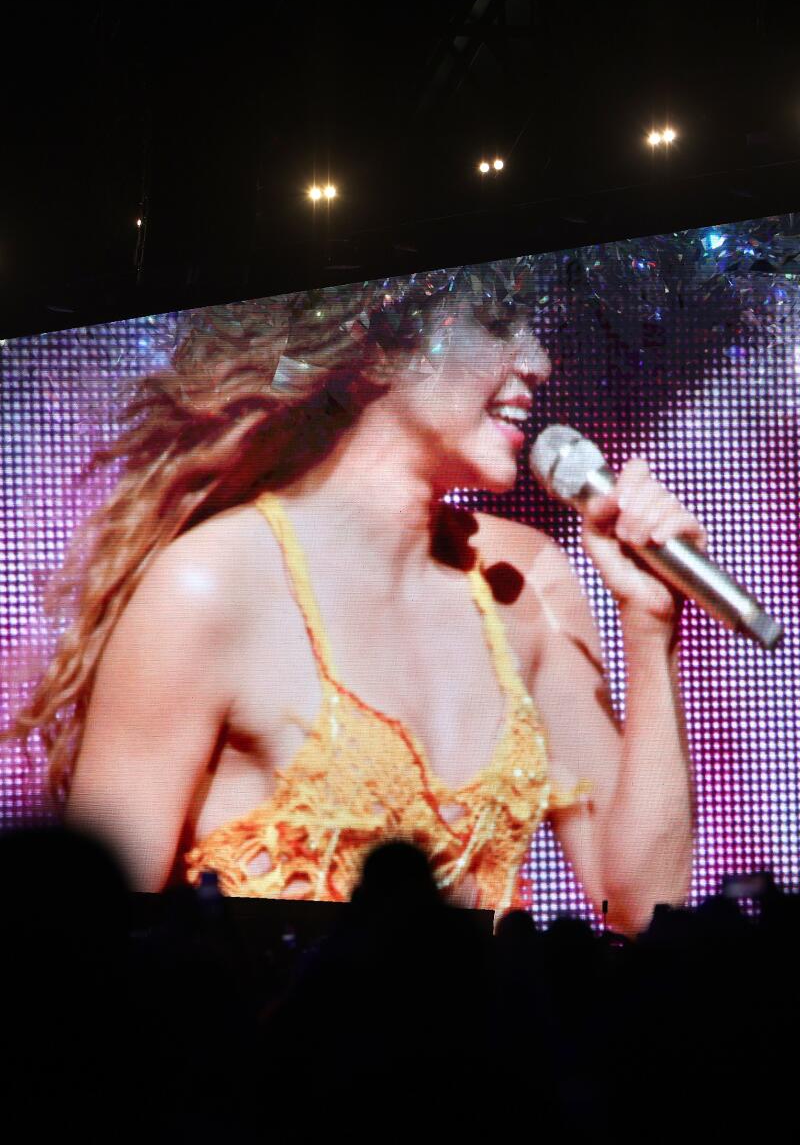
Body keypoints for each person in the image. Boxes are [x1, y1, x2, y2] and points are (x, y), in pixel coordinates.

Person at [11, 263, 706, 932]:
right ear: (380, 347)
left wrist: (650, 631)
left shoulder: (530, 581)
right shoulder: (210, 588)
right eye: (498, 324)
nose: (538, 362)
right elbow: (90, 942)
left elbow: (643, 907)